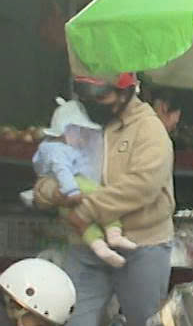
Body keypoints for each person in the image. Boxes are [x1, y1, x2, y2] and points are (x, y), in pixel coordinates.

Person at [51, 74, 175, 326]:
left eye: (101, 98)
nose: (94, 105)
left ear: (125, 92)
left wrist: (88, 209)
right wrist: (51, 191)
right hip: (85, 246)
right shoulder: (74, 118)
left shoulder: (149, 129)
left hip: (142, 244)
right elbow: (49, 163)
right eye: (88, 97)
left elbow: (142, 186)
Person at [28, 98, 137, 268]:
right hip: (71, 187)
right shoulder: (57, 151)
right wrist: (72, 191)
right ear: (65, 131)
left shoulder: (56, 148)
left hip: (66, 198)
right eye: (78, 131)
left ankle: (99, 246)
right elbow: (62, 171)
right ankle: (113, 232)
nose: (82, 136)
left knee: (83, 223)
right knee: (101, 198)